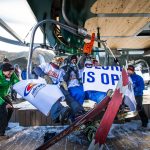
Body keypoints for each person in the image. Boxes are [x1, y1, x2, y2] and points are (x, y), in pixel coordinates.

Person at [0, 63, 19, 140]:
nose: (10, 74)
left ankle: (3, 125)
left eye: (11, 72)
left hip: (5, 94)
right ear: (3, 71)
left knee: (11, 109)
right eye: (8, 72)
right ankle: (1, 134)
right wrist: (4, 103)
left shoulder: (11, 74)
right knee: (3, 113)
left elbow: (16, 81)